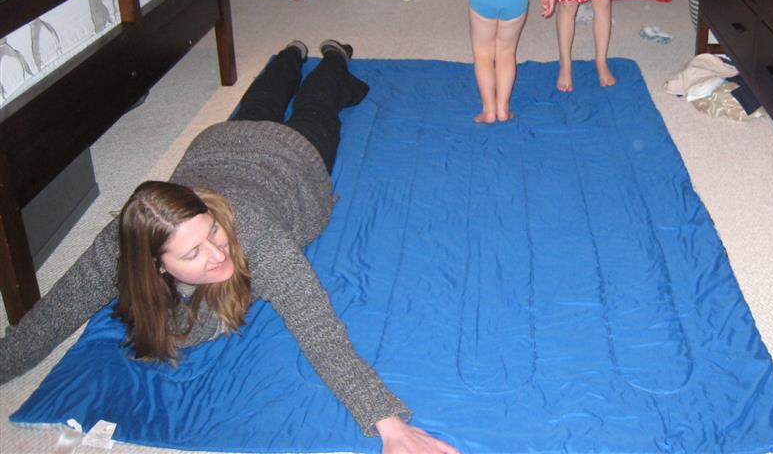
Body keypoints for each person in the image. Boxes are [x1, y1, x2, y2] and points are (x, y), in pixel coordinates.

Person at [0, 40, 459, 454]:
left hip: (292, 164)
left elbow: (318, 329)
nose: (219, 254)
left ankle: (331, 55)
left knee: (316, 107)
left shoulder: (253, 234)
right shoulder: (120, 246)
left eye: (213, 232)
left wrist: (387, 422)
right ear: (155, 264)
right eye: (193, 254)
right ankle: (290, 54)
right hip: (218, 146)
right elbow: (49, 319)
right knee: (258, 104)